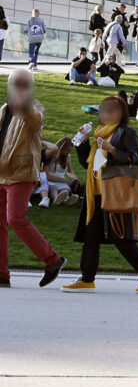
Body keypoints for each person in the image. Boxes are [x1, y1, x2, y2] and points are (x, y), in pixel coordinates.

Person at [62, 95, 138, 293]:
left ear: (122, 112)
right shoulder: (99, 132)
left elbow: (133, 160)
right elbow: (87, 165)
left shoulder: (127, 133)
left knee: (120, 237)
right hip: (95, 193)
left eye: (111, 110)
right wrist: (83, 142)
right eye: (103, 109)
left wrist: (112, 149)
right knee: (91, 237)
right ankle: (87, 279)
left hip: (115, 191)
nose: (106, 113)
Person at [0, 69, 67, 287]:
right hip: (1, 174)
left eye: (23, 84)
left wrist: (24, 104)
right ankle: (2, 274)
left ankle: (53, 260)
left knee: (15, 219)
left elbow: (35, 122)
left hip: (21, 173)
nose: (18, 87)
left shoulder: (34, 109)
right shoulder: (3, 109)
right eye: (15, 83)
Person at [40, 137, 81, 208]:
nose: (69, 153)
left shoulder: (67, 157)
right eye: (67, 150)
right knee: (53, 188)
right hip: (50, 179)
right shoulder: (50, 155)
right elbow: (46, 175)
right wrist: (66, 181)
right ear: (62, 148)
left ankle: (66, 200)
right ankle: (56, 199)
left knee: (65, 190)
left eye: (70, 151)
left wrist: (75, 178)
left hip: (61, 180)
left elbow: (69, 171)